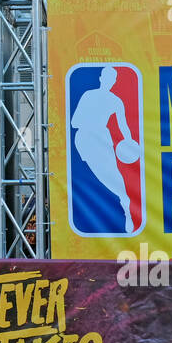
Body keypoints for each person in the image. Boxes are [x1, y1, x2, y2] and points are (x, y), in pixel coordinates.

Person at [70, 66, 139, 234]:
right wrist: (92, 123)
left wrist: (129, 143)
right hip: (86, 141)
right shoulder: (88, 95)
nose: (109, 81)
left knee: (115, 180)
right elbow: (74, 122)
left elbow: (124, 127)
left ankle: (125, 208)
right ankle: (122, 205)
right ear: (101, 78)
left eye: (112, 79)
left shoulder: (116, 101)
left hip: (102, 142)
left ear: (114, 82)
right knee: (100, 179)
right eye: (107, 77)